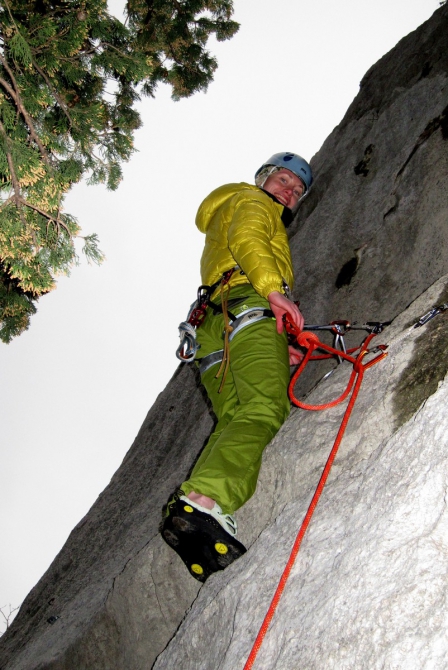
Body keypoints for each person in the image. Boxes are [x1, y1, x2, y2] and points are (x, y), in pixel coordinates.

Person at [161, 152, 313, 581]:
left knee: (235, 416)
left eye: (297, 191)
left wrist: (277, 343)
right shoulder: (252, 202)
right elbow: (249, 239)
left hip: (216, 325)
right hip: (248, 305)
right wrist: (274, 293)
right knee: (266, 406)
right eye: (284, 180)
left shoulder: (228, 207)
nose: (290, 192)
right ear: (264, 178)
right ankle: (209, 499)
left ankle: (196, 503)